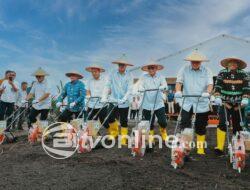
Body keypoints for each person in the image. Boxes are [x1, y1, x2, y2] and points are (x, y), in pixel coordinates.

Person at [175, 51, 213, 155]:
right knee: (185, 124)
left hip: (201, 102)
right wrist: (178, 91)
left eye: (197, 62)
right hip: (187, 102)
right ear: (190, 61)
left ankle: (200, 148)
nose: (195, 63)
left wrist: (208, 92)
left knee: (201, 125)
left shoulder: (207, 71)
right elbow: (179, 82)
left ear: (201, 62)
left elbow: (210, 83)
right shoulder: (184, 69)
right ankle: (185, 147)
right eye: (193, 61)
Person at [213, 57, 249, 155]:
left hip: (239, 104)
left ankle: (236, 146)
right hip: (225, 102)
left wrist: (245, 98)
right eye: (231, 62)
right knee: (223, 123)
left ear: (238, 65)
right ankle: (220, 147)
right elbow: (218, 86)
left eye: (235, 63)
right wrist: (217, 96)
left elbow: (246, 87)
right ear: (227, 64)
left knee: (238, 125)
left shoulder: (243, 74)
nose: (233, 64)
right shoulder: (222, 73)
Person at [102, 55, 134, 145]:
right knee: (109, 117)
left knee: (124, 120)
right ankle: (114, 132)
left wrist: (124, 98)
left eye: (123, 65)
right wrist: (104, 96)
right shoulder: (112, 73)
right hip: (113, 99)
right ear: (118, 65)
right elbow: (108, 85)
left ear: (126, 66)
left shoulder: (130, 75)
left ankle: (123, 138)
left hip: (124, 102)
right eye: (120, 65)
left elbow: (130, 89)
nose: (121, 66)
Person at [139, 62, 168, 142]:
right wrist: (141, 88)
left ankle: (163, 132)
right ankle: (150, 137)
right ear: (147, 69)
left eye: (153, 68)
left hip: (158, 103)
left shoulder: (161, 77)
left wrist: (162, 87)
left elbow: (165, 86)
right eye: (149, 68)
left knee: (163, 121)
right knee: (148, 122)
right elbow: (140, 85)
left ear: (156, 68)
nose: (151, 69)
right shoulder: (143, 77)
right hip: (147, 103)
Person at [85, 64, 109, 128]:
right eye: (92, 72)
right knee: (90, 122)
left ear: (99, 72)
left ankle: (113, 134)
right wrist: (88, 96)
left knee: (104, 121)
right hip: (91, 104)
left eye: (95, 72)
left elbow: (109, 90)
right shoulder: (89, 80)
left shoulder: (105, 80)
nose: (93, 73)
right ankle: (94, 134)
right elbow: (87, 90)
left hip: (102, 104)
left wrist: (104, 96)